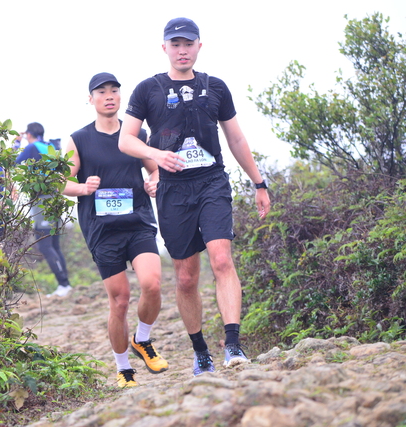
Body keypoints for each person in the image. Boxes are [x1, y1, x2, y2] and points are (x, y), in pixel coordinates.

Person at [119, 18, 271, 376]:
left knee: (221, 259)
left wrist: (259, 183)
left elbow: (236, 138)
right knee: (186, 277)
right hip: (173, 190)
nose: (182, 50)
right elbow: (126, 140)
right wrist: (156, 156)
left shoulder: (215, 87)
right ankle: (201, 352)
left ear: (199, 46)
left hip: (211, 183)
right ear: (165, 48)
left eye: (188, 43)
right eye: (175, 44)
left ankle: (233, 344)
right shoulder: (147, 89)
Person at [62, 72, 167, 388]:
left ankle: (142, 339)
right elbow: (60, 182)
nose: (109, 96)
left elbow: (155, 169)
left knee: (152, 283)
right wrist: (83, 188)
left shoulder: (136, 134)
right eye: (101, 92)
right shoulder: (78, 139)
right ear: (91, 99)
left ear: (120, 97)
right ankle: (124, 369)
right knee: (120, 301)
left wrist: (155, 183)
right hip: (102, 229)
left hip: (138, 221)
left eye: (114, 91)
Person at [15, 122, 72, 297]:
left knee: (45, 245)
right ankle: (65, 285)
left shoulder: (32, 147)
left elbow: (13, 163)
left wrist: (17, 142)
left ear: (28, 134)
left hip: (42, 200)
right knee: (54, 245)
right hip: (55, 199)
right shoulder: (50, 147)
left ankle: (64, 284)